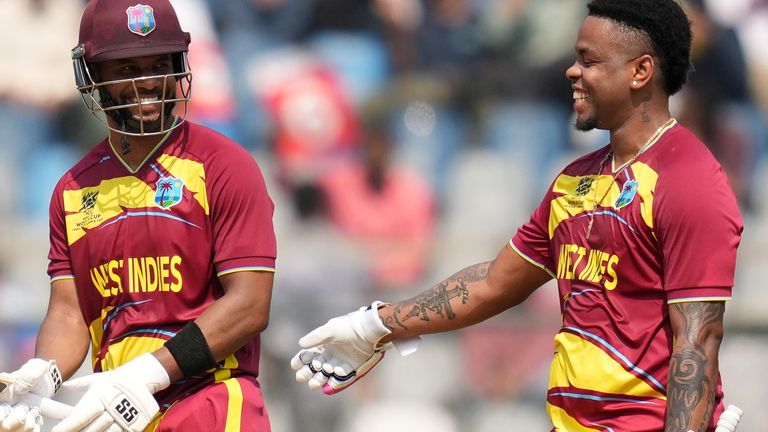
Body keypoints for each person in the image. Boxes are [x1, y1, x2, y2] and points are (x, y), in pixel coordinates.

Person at [291, 1, 744, 431]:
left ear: (640, 71)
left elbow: (697, 342)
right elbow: (493, 282)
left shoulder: (688, 180)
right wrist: (376, 325)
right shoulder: (573, 180)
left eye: (589, 60)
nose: (572, 71)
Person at [0, 0, 277, 431]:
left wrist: (149, 372)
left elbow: (249, 306)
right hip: (116, 413)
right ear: (93, 76)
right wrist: (44, 376)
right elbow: (70, 313)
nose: (147, 82)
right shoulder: (73, 189)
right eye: (126, 69)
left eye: (158, 64)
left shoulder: (223, 165)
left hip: (211, 402)